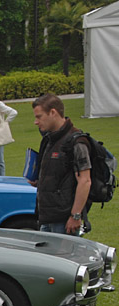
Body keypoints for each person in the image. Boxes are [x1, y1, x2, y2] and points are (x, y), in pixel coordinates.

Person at [31, 93, 91, 235]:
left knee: (63, 256)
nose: (36, 122)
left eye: (39, 117)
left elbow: (85, 181)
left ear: (53, 112)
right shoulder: (49, 139)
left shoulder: (76, 142)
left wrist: (75, 216)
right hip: (46, 216)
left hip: (64, 220)